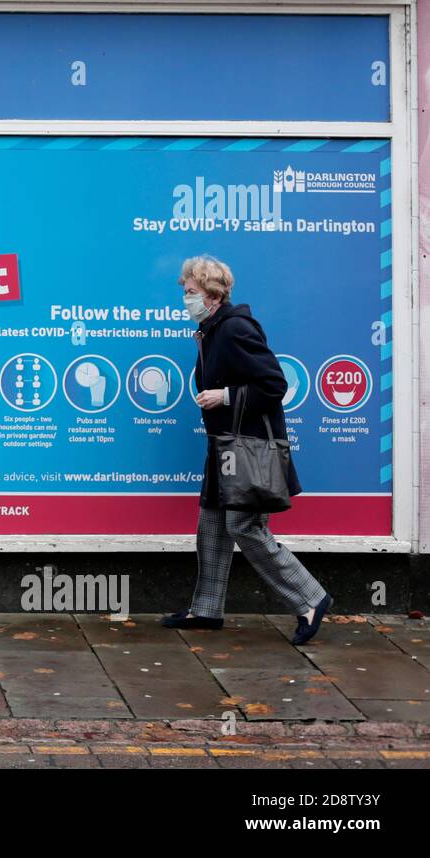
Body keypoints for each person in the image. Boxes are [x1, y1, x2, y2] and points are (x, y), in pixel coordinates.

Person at [162, 255, 332, 646]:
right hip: (225, 445)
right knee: (212, 523)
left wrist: (224, 396)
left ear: (212, 293)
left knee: (244, 527)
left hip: (248, 448)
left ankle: (310, 598)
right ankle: (206, 608)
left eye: (190, 292)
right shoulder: (211, 329)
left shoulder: (235, 328)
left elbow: (274, 384)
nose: (185, 300)